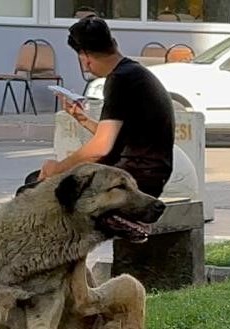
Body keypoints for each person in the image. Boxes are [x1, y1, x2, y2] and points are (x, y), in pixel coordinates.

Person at [23, 16, 175, 200]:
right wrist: (83, 119)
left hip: (133, 178)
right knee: (38, 180)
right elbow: (119, 137)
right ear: (113, 44)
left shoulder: (119, 80)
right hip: (149, 173)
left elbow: (101, 148)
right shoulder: (133, 73)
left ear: (85, 58)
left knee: (33, 189)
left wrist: (58, 168)